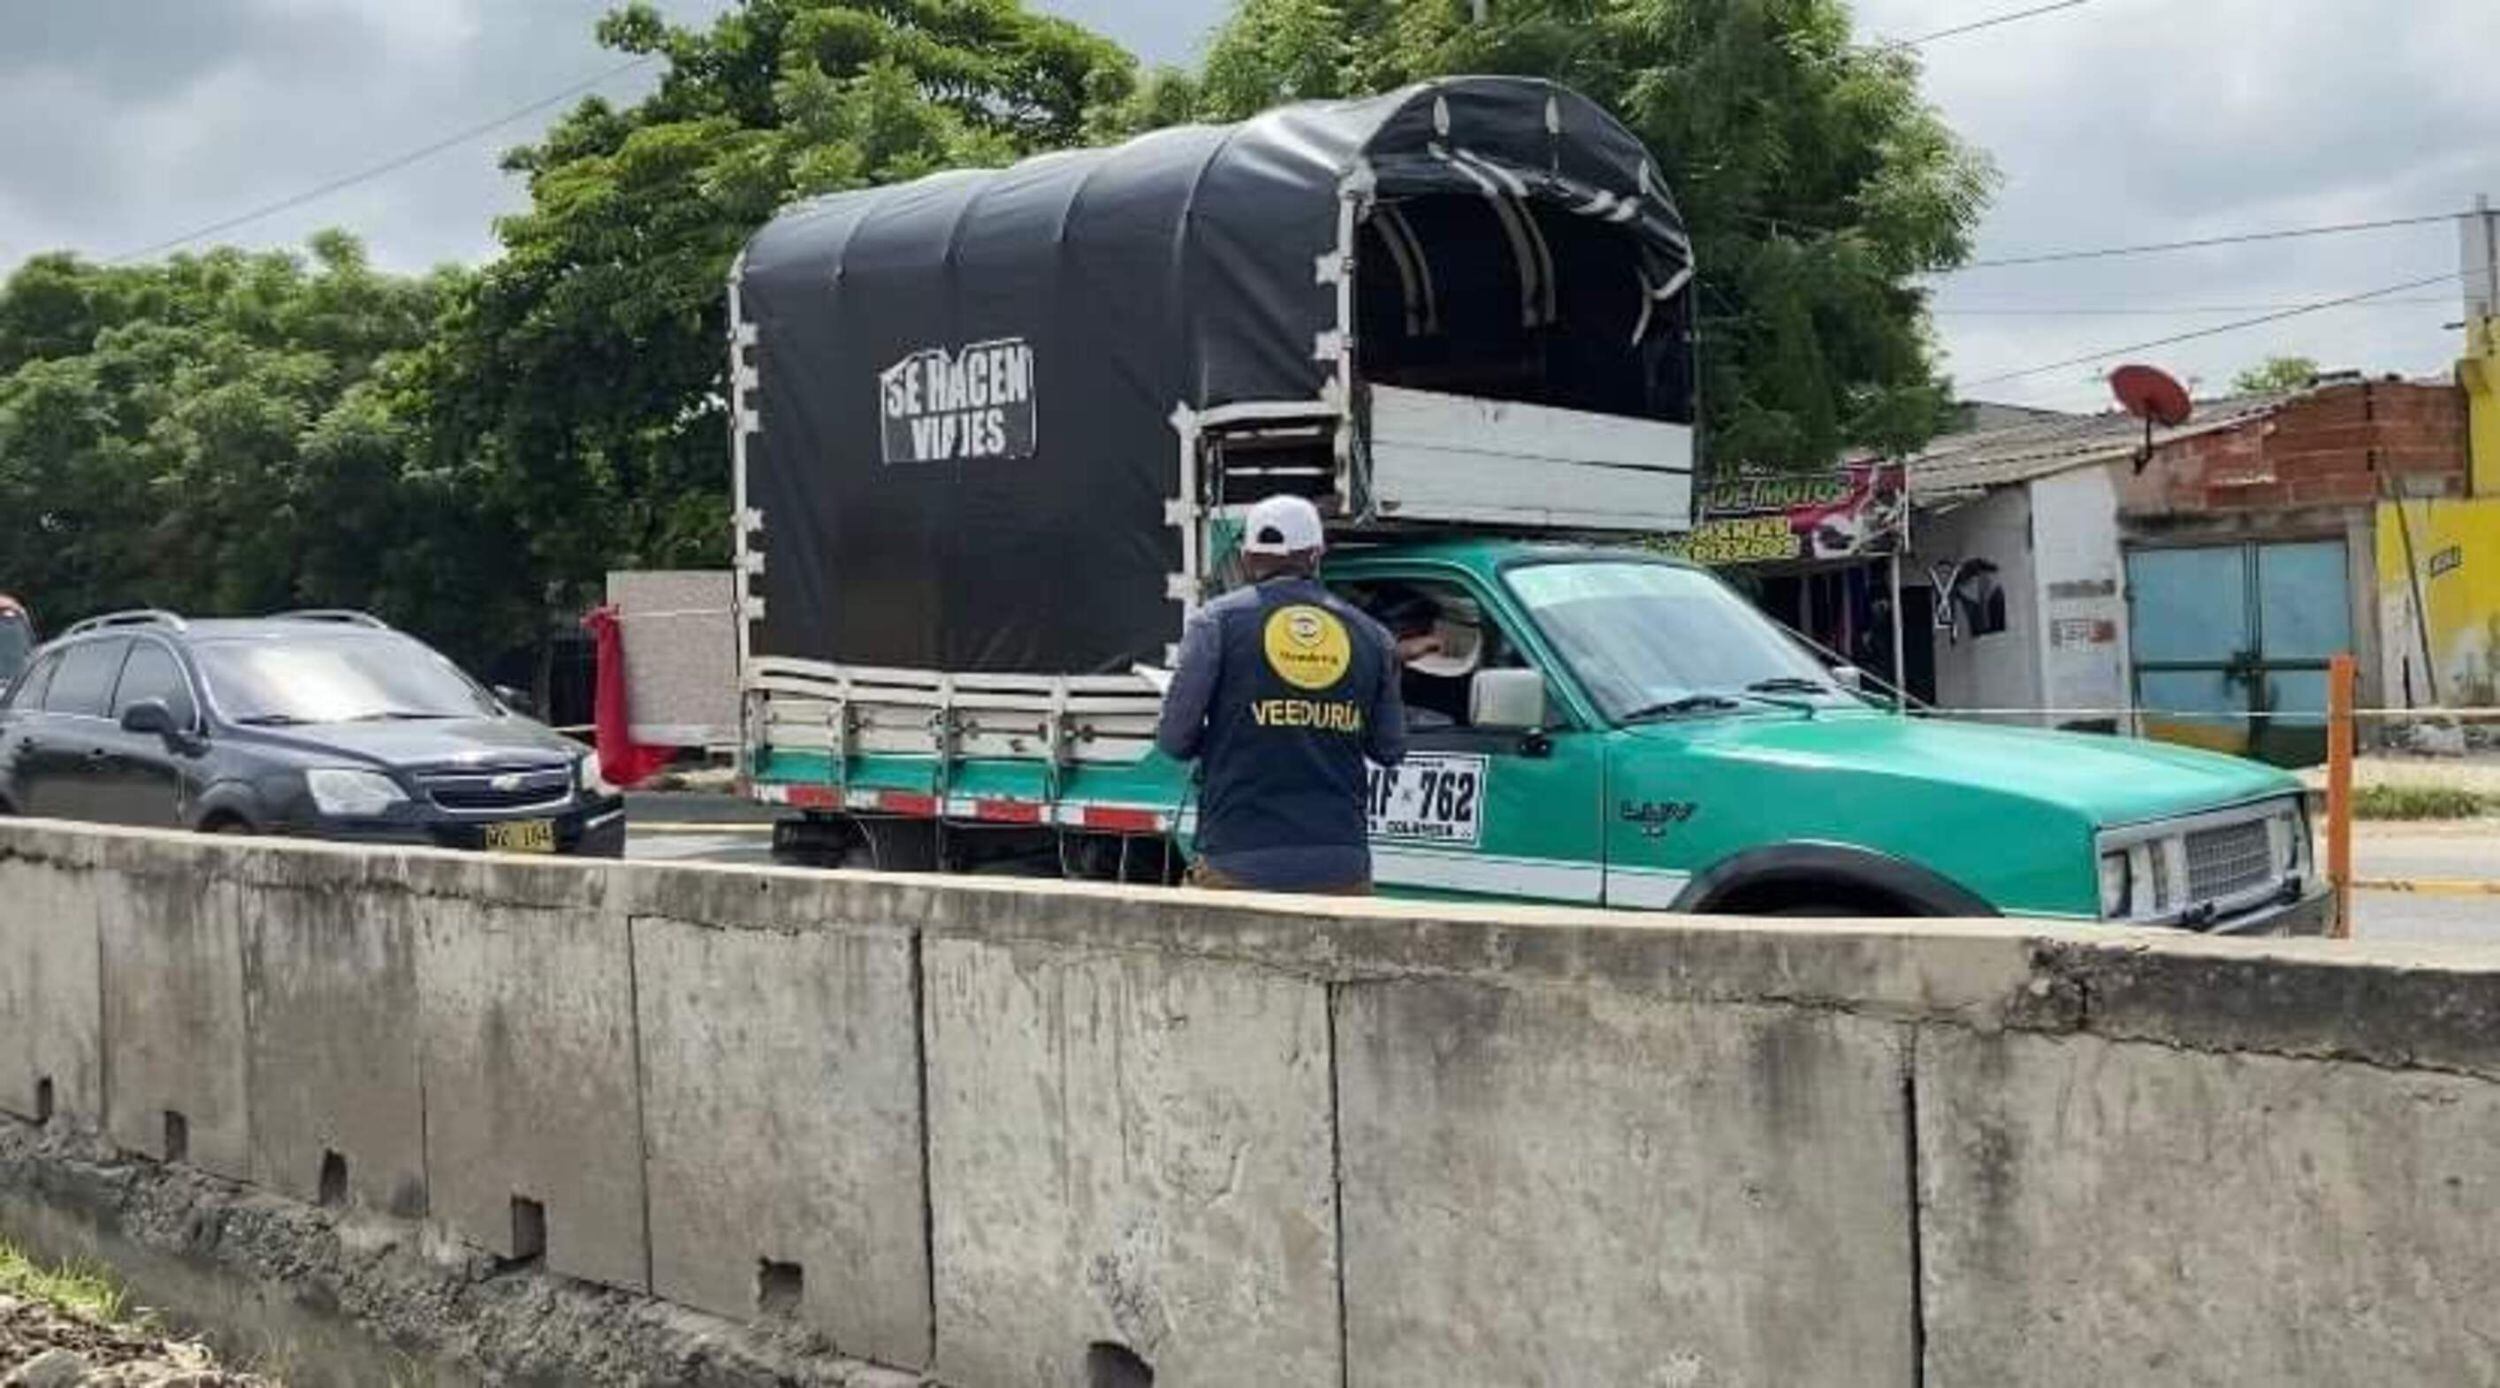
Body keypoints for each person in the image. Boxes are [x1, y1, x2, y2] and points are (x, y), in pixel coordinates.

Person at [1155, 494, 1406, 894]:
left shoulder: (1215, 623)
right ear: (1315, 555)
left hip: (1236, 860)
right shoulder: (1374, 637)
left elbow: (1173, 740)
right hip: (1341, 866)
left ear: (1248, 556)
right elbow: (1390, 749)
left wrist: (1229, 734)